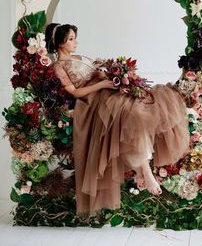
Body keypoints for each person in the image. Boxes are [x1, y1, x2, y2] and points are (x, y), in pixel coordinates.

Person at [45, 23, 190, 214]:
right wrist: (102, 84)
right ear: (59, 43)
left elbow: (98, 73)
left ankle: (141, 168)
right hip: (93, 101)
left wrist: (116, 76)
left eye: (75, 38)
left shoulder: (81, 58)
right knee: (132, 115)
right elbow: (75, 92)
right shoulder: (58, 66)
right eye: (71, 39)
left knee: (140, 112)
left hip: (108, 93)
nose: (75, 42)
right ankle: (144, 170)